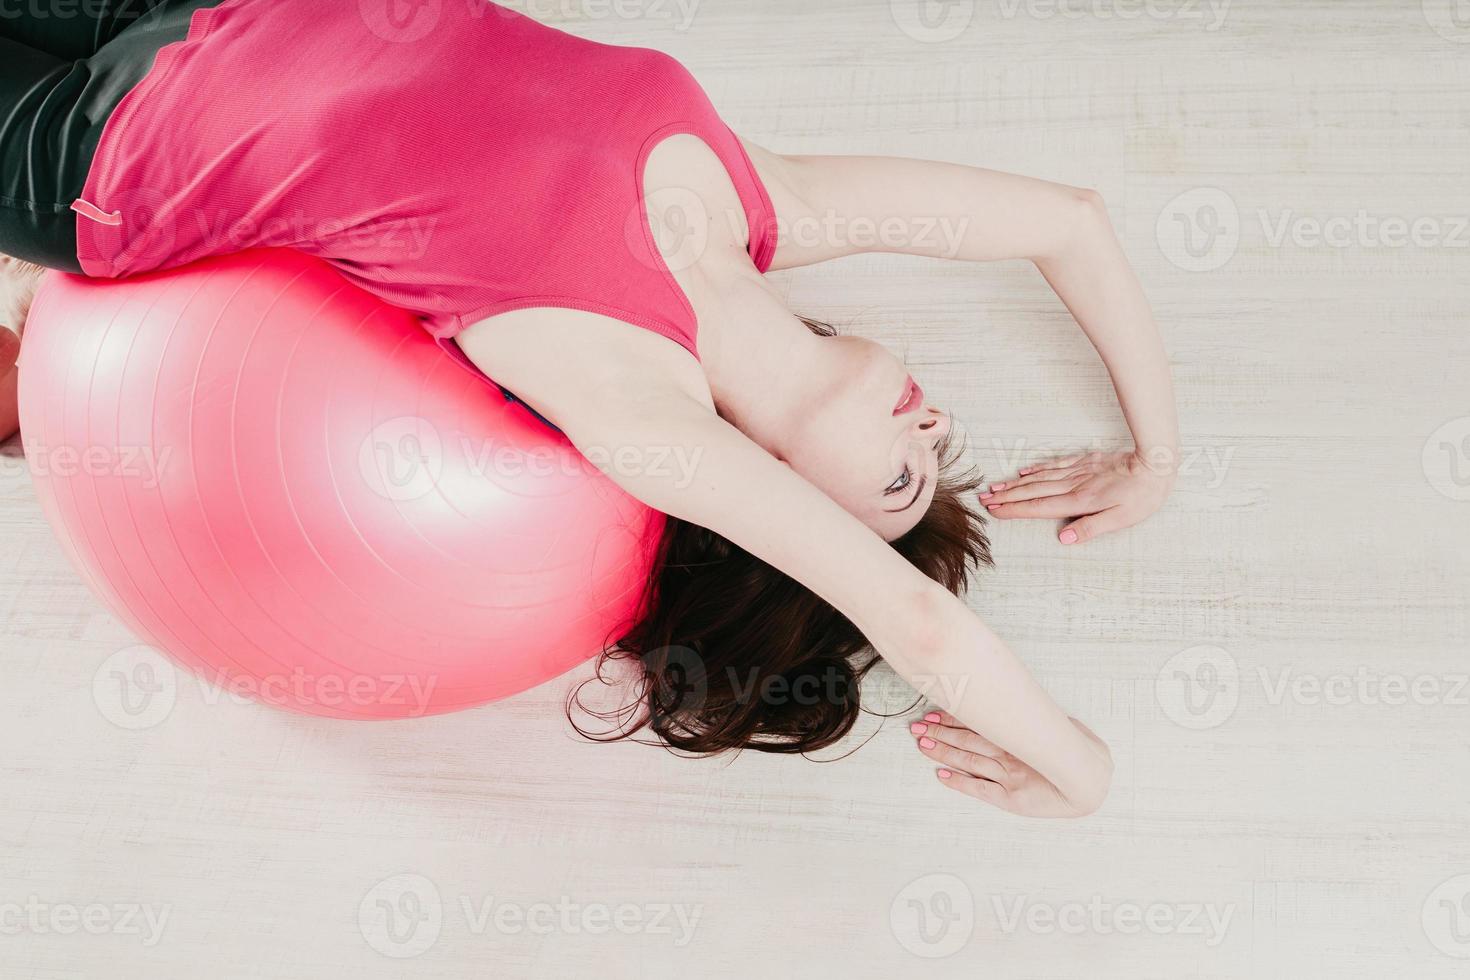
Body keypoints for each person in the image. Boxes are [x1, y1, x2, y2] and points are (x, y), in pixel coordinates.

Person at [1, 0, 1179, 817]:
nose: (927, 428)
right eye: (940, 443)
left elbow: (921, 625)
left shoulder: (643, 409)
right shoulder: (766, 199)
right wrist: (1156, 457)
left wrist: (1085, 774)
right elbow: (1068, 220)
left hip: (105, 152)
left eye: (897, 481)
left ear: (780, 494)